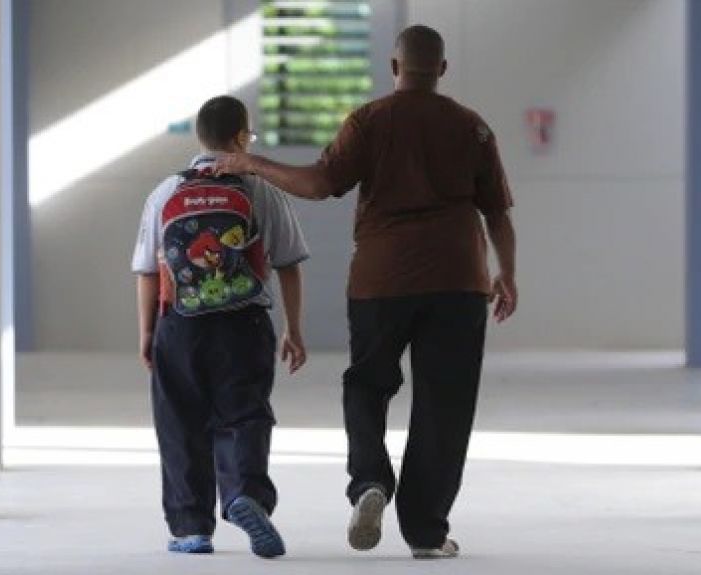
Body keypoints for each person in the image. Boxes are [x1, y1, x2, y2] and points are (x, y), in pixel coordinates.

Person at [217, 25, 517, 559]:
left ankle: (371, 482)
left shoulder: (370, 121)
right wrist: (506, 274)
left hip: (382, 278)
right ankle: (425, 533)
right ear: (442, 69)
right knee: (444, 404)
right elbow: (497, 212)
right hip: (458, 278)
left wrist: (251, 163)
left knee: (367, 385)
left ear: (394, 66)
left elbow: (317, 184)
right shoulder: (472, 127)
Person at [131, 95, 310, 559]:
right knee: (245, 414)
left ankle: (191, 527)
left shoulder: (165, 192)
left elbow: (148, 270)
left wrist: (148, 333)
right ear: (238, 137)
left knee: (180, 421)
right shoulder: (259, 189)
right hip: (243, 323)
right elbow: (288, 262)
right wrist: (294, 328)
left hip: (180, 324)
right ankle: (245, 493)